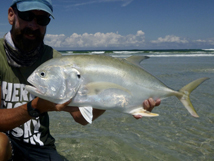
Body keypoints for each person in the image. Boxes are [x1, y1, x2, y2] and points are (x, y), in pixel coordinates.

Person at [0, 0, 161, 160]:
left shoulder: (56, 61)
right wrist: (35, 107)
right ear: (11, 15)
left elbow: (81, 118)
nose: (34, 26)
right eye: (27, 16)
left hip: (41, 145)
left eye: (42, 20)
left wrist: (110, 99)